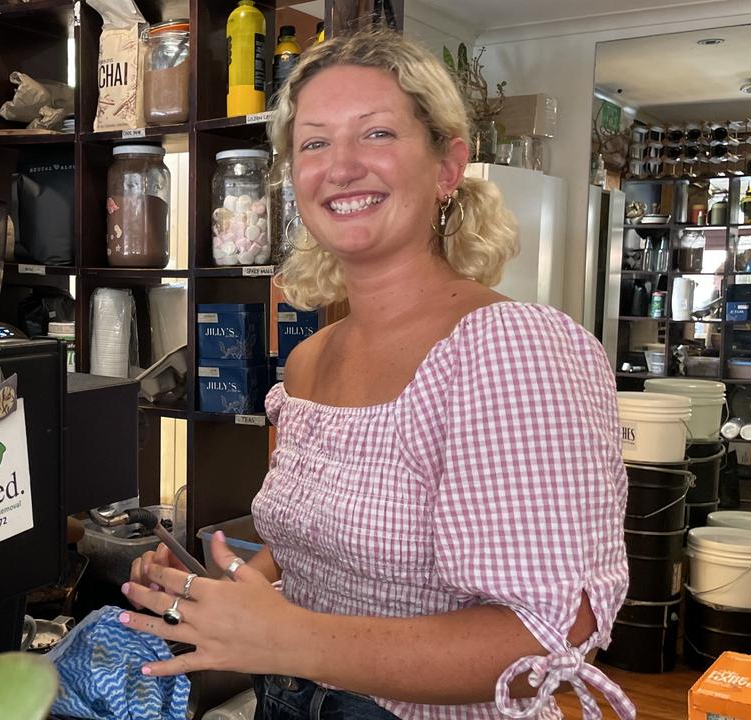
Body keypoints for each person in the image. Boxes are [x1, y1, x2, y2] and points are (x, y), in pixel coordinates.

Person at [122, 28, 632, 720]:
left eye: (378, 134)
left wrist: (288, 638)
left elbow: (547, 641)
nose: (340, 166)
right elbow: (316, 554)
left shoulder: (514, 350)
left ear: (448, 167)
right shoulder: (310, 359)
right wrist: (220, 593)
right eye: (315, 142)